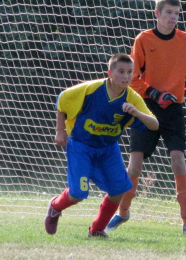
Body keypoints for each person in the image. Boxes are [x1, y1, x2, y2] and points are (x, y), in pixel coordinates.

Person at [105, 0, 186, 237]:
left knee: (178, 161)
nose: (173, 17)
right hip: (146, 107)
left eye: (177, 13)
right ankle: (122, 212)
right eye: (169, 12)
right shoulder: (144, 39)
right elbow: (133, 78)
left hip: (173, 111)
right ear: (157, 14)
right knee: (134, 166)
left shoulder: (185, 40)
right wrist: (155, 93)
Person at [45, 53, 159, 238]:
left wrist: (137, 113)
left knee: (118, 191)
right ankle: (55, 206)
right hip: (81, 146)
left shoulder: (132, 98)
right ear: (110, 73)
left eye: (130, 72)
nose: (126, 76)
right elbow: (62, 100)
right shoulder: (91, 89)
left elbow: (154, 125)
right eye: (121, 72)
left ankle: (97, 230)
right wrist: (60, 131)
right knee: (78, 194)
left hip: (108, 149)